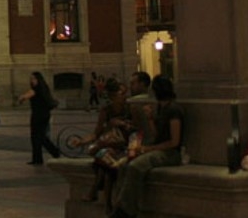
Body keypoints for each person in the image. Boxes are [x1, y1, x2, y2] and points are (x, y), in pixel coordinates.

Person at [110, 76, 183, 218]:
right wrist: (150, 118)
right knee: (124, 164)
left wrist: (148, 149)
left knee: (136, 166)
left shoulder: (174, 110)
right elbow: (157, 134)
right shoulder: (161, 108)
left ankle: (127, 211)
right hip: (158, 149)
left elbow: (174, 141)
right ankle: (119, 205)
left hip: (170, 153)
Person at [77, 78, 135, 211]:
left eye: (125, 93)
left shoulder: (129, 109)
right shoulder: (106, 111)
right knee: (107, 161)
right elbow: (96, 133)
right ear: (113, 97)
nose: (125, 97)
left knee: (105, 161)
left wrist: (123, 124)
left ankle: (96, 192)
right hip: (109, 146)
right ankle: (107, 204)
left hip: (124, 146)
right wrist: (81, 141)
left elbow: (136, 129)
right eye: (122, 94)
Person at [18, 71, 61, 165]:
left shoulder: (36, 89)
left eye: (33, 78)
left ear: (38, 79)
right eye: (31, 79)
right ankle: (39, 158)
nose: (31, 80)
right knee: (39, 137)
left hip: (38, 115)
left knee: (37, 137)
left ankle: (52, 153)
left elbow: (26, 96)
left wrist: (21, 98)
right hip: (44, 114)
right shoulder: (44, 88)